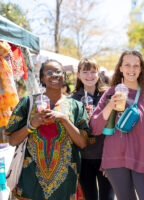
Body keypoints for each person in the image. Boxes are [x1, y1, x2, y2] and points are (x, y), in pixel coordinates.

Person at [5, 59, 91, 199]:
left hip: (65, 184)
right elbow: (12, 141)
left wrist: (64, 119)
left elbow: (82, 143)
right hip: (30, 181)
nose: (54, 75)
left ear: (64, 76)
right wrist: (32, 124)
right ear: (42, 79)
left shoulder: (76, 106)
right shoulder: (27, 103)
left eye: (58, 71)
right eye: (49, 72)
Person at [90, 50, 144, 200]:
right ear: (121, 68)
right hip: (114, 161)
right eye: (127, 65)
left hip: (143, 160)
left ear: (141, 69)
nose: (131, 69)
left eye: (136, 65)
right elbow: (94, 127)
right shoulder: (110, 93)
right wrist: (110, 105)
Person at [70, 58, 114, 200]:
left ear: (98, 73)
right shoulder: (72, 99)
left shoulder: (108, 95)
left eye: (93, 72)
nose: (90, 76)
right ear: (78, 75)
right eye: (85, 72)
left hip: (106, 157)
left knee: (107, 197)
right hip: (84, 158)